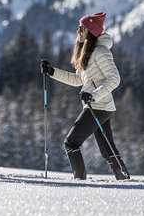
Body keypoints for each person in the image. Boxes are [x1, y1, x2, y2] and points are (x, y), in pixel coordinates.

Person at [40, 12, 129, 180]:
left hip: (98, 106)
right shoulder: (87, 53)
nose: (78, 32)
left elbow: (115, 79)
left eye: (81, 29)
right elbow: (77, 80)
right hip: (100, 106)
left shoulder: (101, 52)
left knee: (71, 142)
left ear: (90, 32)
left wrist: (93, 95)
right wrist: (52, 72)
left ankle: (79, 179)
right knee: (106, 148)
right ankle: (123, 177)